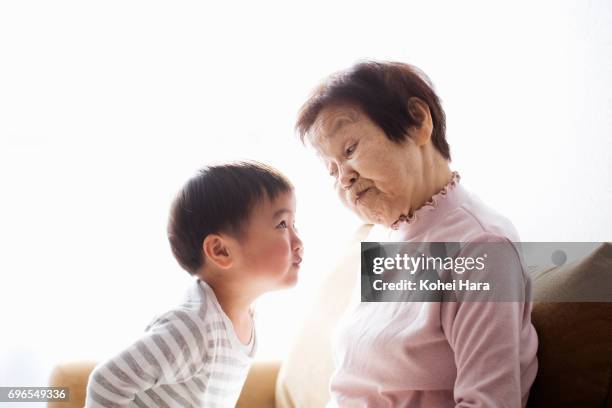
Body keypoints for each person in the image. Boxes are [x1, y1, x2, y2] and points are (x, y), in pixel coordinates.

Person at [296, 61, 538, 407]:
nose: (344, 178)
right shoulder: (384, 238)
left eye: (349, 150)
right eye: (331, 170)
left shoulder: (482, 249)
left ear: (418, 122)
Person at [86, 161, 303, 407]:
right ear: (220, 250)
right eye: (282, 225)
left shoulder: (243, 319)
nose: (298, 241)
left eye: (294, 224)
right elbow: (106, 383)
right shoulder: (194, 327)